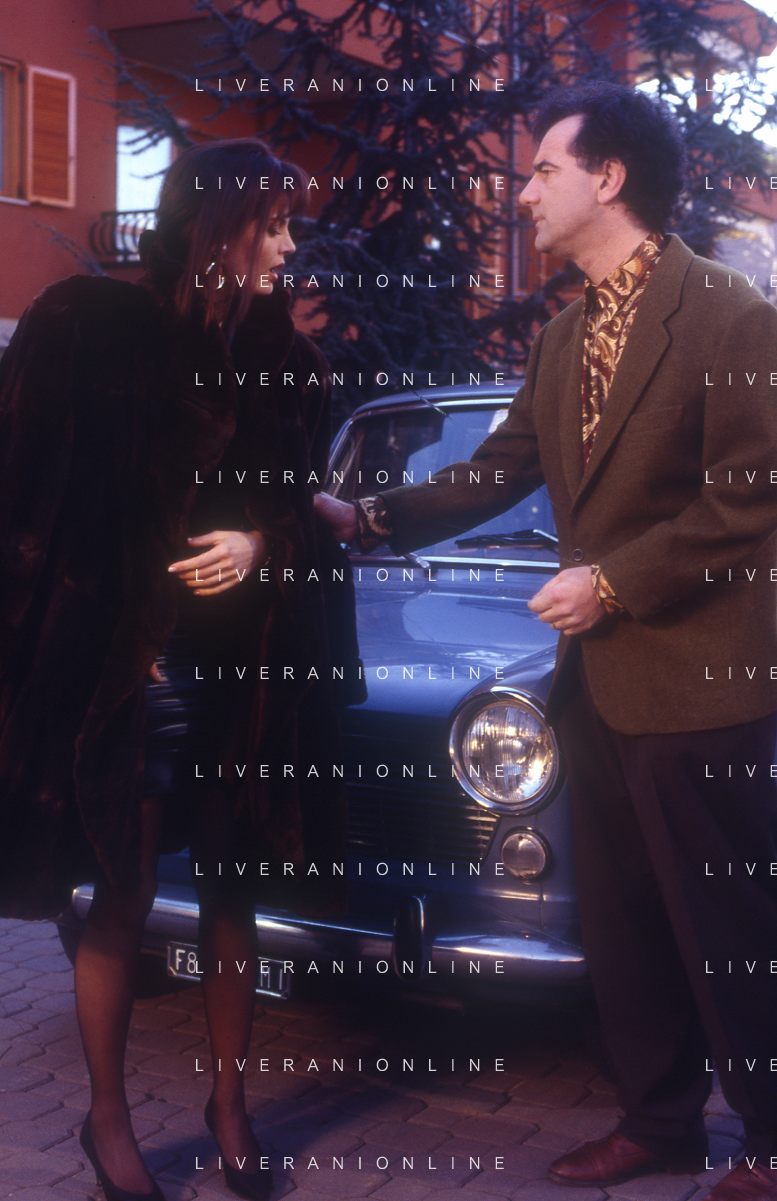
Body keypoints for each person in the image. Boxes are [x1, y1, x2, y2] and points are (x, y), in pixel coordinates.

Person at [316, 83, 777, 1201]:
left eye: (541, 171)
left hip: (700, 680)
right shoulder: (566, 332)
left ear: (606, 179)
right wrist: (367, 516)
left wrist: (612, 581)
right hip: (594, 683)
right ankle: (658, 1123)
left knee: (729, 925)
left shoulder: (730, 311)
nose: (521, 193)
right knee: (623, 924)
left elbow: (752, 492)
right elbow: (496, 470)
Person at [0, 138, 363, 1201]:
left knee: (231, 887)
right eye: (274, 225)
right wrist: (99, 639)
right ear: (219, 224)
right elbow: (27, 505)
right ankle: (108, 1120)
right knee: (123, 890)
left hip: (246, 667)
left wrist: (259, 540)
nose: (288, 248)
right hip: (132, 664)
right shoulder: (88, 326)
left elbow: (300, 517)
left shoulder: (291, 365)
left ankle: (230, 1105)